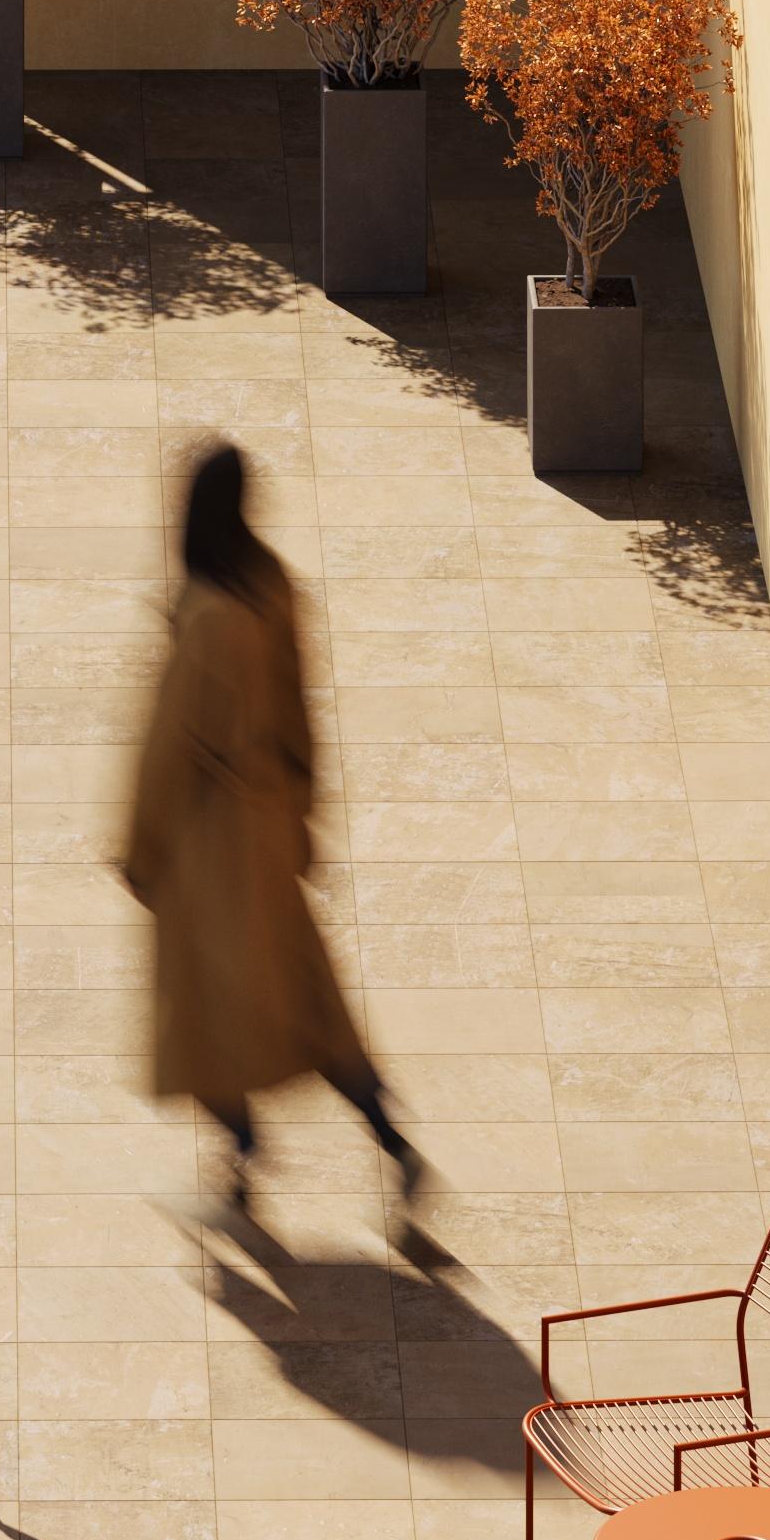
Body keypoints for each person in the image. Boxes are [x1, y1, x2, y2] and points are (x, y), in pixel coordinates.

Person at [119, 440, 442, 1264]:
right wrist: (300, 816)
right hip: (264, 826)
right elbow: (301, 711)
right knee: (306, 1003)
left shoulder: (207, 611)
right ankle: (390, 1144)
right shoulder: (270, 587)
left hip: (209, 845)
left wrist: (141, 845)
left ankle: (242, 1154)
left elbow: (168, 745)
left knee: (203, 1015)